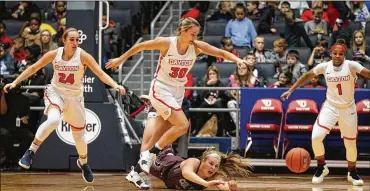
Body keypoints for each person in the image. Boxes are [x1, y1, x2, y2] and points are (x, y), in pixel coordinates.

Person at [105, 17, 247, 174]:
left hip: (177, 92)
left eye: (197, 35)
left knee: (157, 134)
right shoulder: (167, 43)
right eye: (192, 34)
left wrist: (237, 59)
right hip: (161, 88)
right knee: (182, 125)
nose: (195, 38)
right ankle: (151, 155)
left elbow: (219, 52)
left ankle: (137, 171)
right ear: (182, 31)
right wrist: (120, 59)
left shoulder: (196, 47)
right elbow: (141, 46)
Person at [3, 28, 126, 183]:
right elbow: (34, 68)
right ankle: (31, 152)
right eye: (72, 39)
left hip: (75, 97)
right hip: (56, 93)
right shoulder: (55, 54)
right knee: (53, 120)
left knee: (80, 138)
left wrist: (116, 85)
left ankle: (83, 163)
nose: (75, 43)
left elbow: (100, 74)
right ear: (64, 40)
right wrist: (15, 82)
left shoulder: (83, 56)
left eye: (77, 40)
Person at [280, 41, 370, 186]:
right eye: (335, 53)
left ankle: (352, 172)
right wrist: (291, 90)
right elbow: (307, 76)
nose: (337, 56)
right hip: (330, 106)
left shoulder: (352, 65)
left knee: (350, 143)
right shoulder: (324, 66)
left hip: (348, 108)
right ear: (331, 54)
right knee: (316, 137)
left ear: (344, 55)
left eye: (341, 54)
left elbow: (367, 73)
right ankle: (321, 166)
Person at [125, 99, 252, 190]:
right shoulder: (193, 162)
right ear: (202, 161)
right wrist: (206, 184)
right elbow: (186, 173)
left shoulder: (213, 176)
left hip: (167, 161)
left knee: (161, 128)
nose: (213, 168)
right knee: (151, 141)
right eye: (211, 163)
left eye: (215, 166)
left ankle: (154, 110)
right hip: (159, 159)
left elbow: (223, 185)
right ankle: (152, 109)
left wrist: (232, 187)